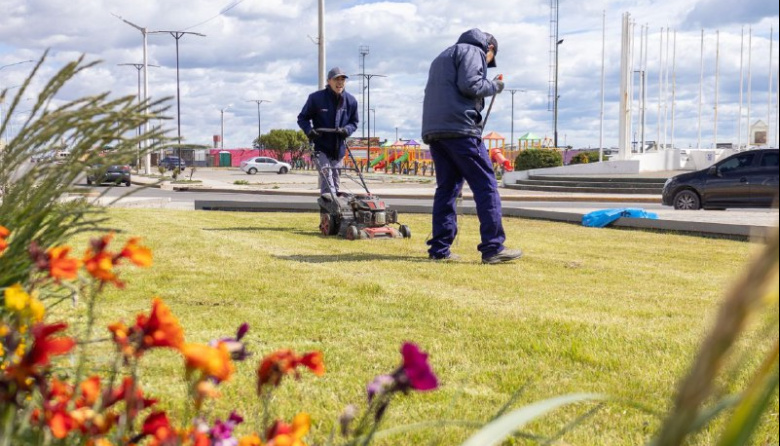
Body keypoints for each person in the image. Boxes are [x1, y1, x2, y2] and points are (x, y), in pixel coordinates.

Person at [421, 28, 523, 264]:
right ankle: (493, 248)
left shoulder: (443, 56)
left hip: (435, 131)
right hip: (461, 129)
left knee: (447, 189)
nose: (488, 62)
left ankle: (439, 250)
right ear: (490, 48)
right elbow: (471, 84)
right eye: (490, 58)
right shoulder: (473, 51)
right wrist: (495, 86)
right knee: (486, 186)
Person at [297, 67, 359, 196]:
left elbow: (354, 122)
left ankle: (335, 208)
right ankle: (329, 205)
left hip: (338, 150)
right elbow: (302, 118)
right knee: (327, 179)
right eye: (336, 79)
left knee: (335, 182)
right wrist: (309, 131)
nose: (340, 82)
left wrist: (347, 130)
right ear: (328, 81)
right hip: (321, 148)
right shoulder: (316, 98)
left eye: (342, 79)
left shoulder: (351, 101)